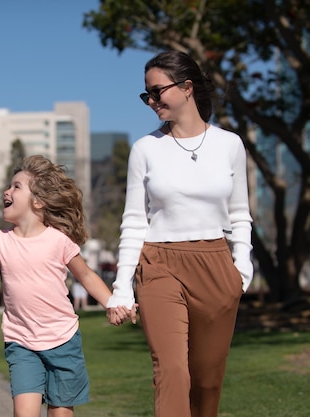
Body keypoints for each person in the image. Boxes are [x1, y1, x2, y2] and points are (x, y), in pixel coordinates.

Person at [0, 155, 134, 417]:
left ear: (37, 201)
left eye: (16, 186)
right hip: (21, 341)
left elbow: (87, 276)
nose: (7, 191)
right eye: (9, 186)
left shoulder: (58, 240)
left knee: (60, 412)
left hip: (63, 340)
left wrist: (113, 303)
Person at [107, 50, 253, 417]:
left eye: (157, 92)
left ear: (187, 87)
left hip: (216, 265)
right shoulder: (145, 149)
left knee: (207, 380)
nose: (151, 101)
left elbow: (240, 215)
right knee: (172, 371)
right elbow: (134, 220)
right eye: (147, 95)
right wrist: (122, 287)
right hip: (160, 264)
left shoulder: (229, 145)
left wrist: (242, 269)